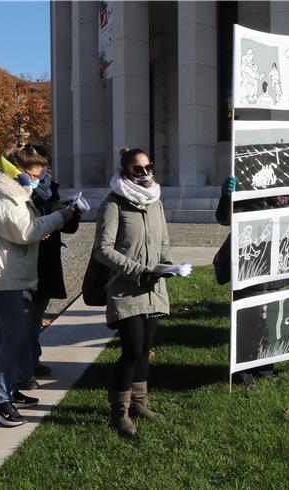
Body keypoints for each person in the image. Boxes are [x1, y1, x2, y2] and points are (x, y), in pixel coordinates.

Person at [214, 155, 289, 386]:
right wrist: (226, 196)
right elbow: (223, 218)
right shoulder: (245, 188)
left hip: (277, 264)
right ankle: (242, 374)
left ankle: (265, 369)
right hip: (250, 266)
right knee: (248, 318)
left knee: (271, 319)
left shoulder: (284, 188)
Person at [0, 144, 75, 427]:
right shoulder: (4, 197)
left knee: (6, 338)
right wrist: (59, 218)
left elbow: (23, 231)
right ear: (17, 171)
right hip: (4, 276)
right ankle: (1, 403)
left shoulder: (15, 193)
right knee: (13, 340)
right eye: (33, 174)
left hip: (10, 273)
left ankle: (10, 392)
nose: (36, 179)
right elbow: (25, 231)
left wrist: (37, 228)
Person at [93, 147, 173, 437]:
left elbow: (163, 239)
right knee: (132, 349)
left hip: (154, 287)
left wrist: (166, 265)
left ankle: (140, 402)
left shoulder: (155, 201)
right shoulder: (114, 203)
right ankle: (120, 412)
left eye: (149, 166)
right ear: (126, 171)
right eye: (139, 169)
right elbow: (103, 250)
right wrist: (137, 270)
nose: (146, 173)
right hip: (126, 289)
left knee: (145, 349)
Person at [2, 146, 81, 391]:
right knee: (24, 319)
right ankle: (22, 372)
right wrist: (49, 220)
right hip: (26, 260)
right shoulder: (14, 192)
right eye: (35, 171)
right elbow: (21, 227)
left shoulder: (51, 189)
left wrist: (71, 214)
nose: (40, 176)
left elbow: (66, 228)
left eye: (43, 168)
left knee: (36, 317)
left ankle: (32, 361)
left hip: (47, 261)